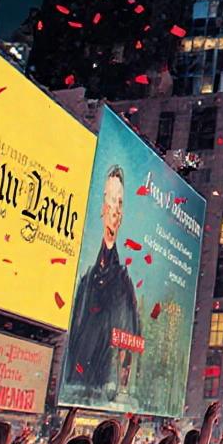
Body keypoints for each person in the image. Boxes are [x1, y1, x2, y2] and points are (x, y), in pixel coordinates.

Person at [64, 166, 141, 402]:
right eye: (110, 200)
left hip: (106, 391)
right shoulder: (85, 275)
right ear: (102, 208)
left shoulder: (125, 283)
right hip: (77, 388)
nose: (114, 209)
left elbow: (130, 345)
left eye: (119, 202)